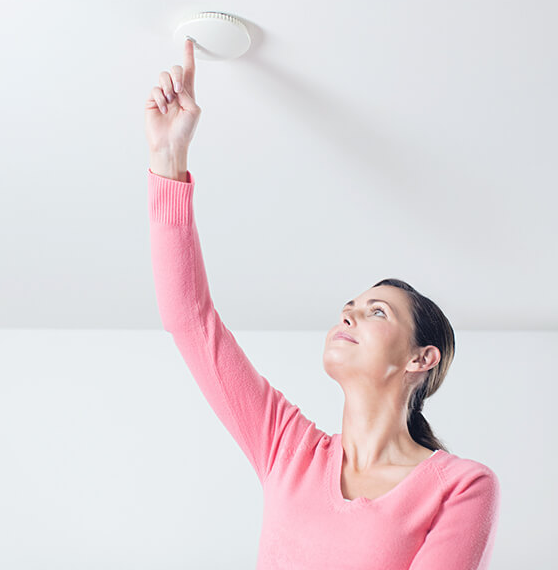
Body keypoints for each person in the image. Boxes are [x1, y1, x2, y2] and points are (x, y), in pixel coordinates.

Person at [143, 38, 500, 570]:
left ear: (420, 359)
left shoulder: (461, 487)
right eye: (350, 306)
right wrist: (169, 159)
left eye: (378, 312)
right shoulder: (287, 449)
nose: (349, 314)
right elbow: (189, 321)